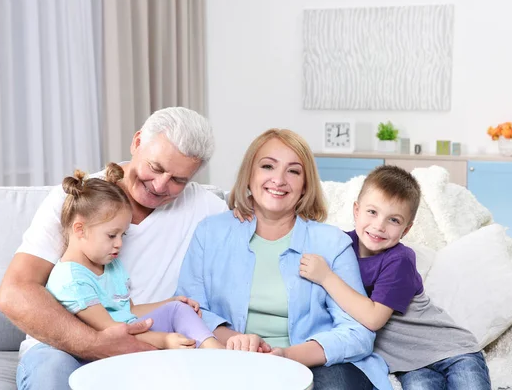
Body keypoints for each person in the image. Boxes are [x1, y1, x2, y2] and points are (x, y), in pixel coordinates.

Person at [0, 107, 228, 389]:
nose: (159, 185)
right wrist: (97, 344)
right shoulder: (78, 200)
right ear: (137, 142)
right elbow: (14, 292)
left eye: (179, 180)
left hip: (147, 345)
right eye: (155, 167)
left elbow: (259, 231)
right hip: (61, 349)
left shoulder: (208, 209)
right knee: (52, 371)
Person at [175, 129, 392, 390]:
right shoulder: (210, 232)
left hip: (315, 363)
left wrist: (287, 356)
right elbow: (188, 311)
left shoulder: (331, 243)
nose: (279, 180)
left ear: (305, 186)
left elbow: (358, 333)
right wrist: (237, 341)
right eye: (268, 166)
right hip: (229, 356)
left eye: (293, 171)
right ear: (249, 175)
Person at [299, 165, 492, 390]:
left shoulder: (399, 260)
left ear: (406, 230)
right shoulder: (340, 245)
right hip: (409, 365)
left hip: (451, 350)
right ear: (356, 211)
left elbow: (373, 319)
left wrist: (326, 277)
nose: (379, 226)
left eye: (394, 220)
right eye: (372, 212)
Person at [46, 164, 223, 351]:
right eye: (112, 235)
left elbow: (129, 310)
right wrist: (163, 340)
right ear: (80, 230)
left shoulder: (110, 265)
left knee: (178, 309)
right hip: (104, 346)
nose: (119, 244)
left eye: (123, 235)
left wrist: (171, 302)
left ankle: (214, 350)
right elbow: (111, 329)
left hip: (131, 331)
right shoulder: (71, 280)